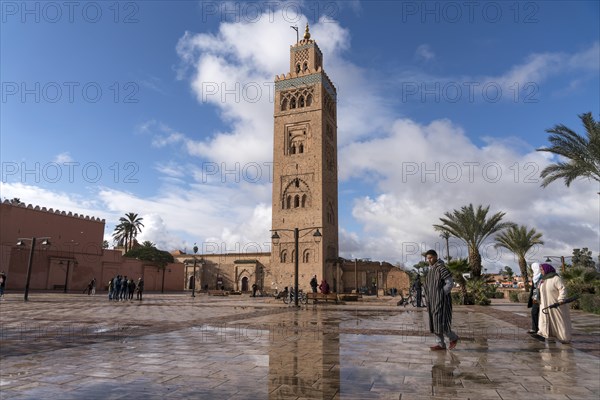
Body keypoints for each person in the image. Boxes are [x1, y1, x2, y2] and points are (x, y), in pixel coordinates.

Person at [423, 249, 459, 351]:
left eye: (430, 258)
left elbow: (450, 283)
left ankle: (453, 338)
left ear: (436, 256)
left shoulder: (441, 268)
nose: (429, 260)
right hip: (432, 302)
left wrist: (441, 294)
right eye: (427, 258)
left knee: (441, 322)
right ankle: (441, 344)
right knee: (434, 322)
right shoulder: (431, 271)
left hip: (441, 301)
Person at [536, 263, 572, 343]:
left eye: (542, 269)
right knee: (544, 320)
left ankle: (564, 338)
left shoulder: (556, 278)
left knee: (559, 321)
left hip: (555, 304)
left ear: (547, 269)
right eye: (540, 270)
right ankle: (544, 335)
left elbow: (562, 289)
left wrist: (561, 299)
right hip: (544, 304)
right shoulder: (543, 280)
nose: (541, 271)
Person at [526, 263, 542, 334]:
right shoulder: (535, 276)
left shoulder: (542, 276)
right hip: (535, 298)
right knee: (534, 312)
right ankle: (535, 328)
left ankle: (538, 329)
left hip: (541, 297)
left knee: (540, 313)